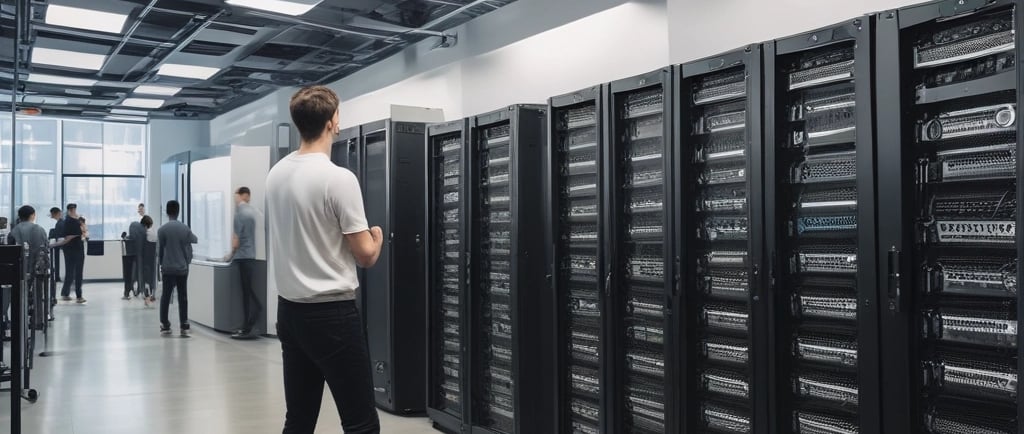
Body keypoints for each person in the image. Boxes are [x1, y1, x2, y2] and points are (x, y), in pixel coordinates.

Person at [267, 86, 384, 434]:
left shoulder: (276, 175)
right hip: (332, 315)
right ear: (334, 122)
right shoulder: (338, 178)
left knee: (299, 419)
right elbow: (364, 255)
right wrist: (376, 240)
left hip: (289, 312)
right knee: (361, 422)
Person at [158, 200, 197, 337]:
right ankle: (184, 324)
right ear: (178, 211)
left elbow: (160, 251)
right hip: (182, 268)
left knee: (166, 296)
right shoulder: (184, 228)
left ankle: (164, 324)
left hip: (167, 268)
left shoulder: (162, 230)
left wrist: (160, 265)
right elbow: (194, 239)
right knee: (183, 296)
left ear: (167, 212)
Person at [229, 186, 261, 339]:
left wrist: (230, 254)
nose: (235, 199)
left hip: (242, 257)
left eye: (236, 196)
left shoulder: (240, 213)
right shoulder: (252, 213)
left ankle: (247, 325)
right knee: (248, 289)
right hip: (251, 256)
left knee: (246, 292)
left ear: (244, 195)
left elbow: (236, 240)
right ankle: (249, 322)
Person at [60, 203, 86, 304]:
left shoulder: (66, 221)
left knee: (70, 272)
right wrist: (81, 224)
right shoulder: (74, 221)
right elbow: (82, 233)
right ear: (71, 210)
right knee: (78, 273)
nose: (74, 211)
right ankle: (79, 296)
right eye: (73, 210)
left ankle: (65, 293)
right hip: (76, 249)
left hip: (69, 249)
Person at [123, 216, 146, 300]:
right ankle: (141, 290)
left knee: (130, 273)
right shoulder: (144, 234)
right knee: (138, 272)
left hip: (130, 257)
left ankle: (127, 292)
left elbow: (129, 238)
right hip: (141, 257)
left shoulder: (131, 234)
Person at [140, 215, 157, 307]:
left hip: (146, 258)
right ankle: (151, 295)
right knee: (152, 278)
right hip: (153, 258)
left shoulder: (145, 234)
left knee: (146, 278)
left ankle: (147, 298)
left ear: (145, 226)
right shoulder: (155, 232)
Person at [49, 207, 63, 282]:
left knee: (57, 261)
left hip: (60, 245)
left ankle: (57, 276)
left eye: (52, 213)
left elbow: (60, 236)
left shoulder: (60, 223)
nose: (51, 215)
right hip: (60, 245)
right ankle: (57, 276)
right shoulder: (60, 222)